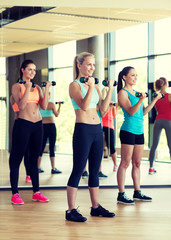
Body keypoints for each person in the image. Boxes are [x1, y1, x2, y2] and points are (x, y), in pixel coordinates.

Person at [66, 52, 115, 222]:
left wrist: (109, 90)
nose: (92, 68)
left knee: (95, 170)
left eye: (93, 65)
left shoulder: (92, 85)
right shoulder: (74, 85)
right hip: (83, 130)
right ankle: (70, 210)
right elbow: (85, 106)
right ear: (79, 65)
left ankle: (95, 207)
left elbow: (103, 109)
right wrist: (92, 87)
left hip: (97, 130)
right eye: (89, 65)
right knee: (78, 170)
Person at [117, 66, 162, 205]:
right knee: (125, 163)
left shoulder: (136, 93)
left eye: (136, 75)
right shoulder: (122, 93)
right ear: (124, 77)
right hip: (128, 130)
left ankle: (137, 192)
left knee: (137, 163)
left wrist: (154, 100)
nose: (135, 78)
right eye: (132, 75)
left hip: (139, 131)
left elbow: (142, 113)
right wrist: (141, 100)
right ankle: (121, 194)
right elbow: (131, 111)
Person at [9, 59, 51, 205]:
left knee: (34, 159)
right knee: (16, 158)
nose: (32, 72)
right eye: (29, 70)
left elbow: (44, 106)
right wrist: (27, 88)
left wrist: (46, 90)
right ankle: (15, 193)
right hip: (23, 124)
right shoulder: (16, 86)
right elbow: (20, 106)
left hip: (37, 125)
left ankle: (36, 192)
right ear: (22, 70)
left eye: (34, 70)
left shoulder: (37, 88)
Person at [148, 77, 171, 174]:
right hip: (168, 121)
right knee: (170, 145)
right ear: (165, 84)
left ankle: (151, 168)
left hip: (158, 121)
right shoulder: (169, 96)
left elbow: (157, 111)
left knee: (154, 145)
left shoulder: (155, 97)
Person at [38, 93, 62, 174]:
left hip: (42, 126)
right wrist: (59, 106)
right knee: (52, 147)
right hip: (51, 126)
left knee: (41, 147)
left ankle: (37, 167)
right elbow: (57, 114)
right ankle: (53, 168)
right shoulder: (51, 104)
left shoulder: (39, 105)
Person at [10, 95, 31, 183]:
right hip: (19, 124)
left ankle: (28, 175)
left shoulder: (28, 96)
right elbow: (19, 110)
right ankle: (14, 174)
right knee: (17, 152)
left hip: (28, 124)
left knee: (28, 152)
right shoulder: (13, 97)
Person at [101, 87, 118, 172]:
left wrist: (112, 107)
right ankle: (98, 168)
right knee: (100, 147)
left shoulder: (111, 104)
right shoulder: (102, 104)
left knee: (111, 147)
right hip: (102, 126)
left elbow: (114, 115)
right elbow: (102, 115)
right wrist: (107, 107)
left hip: (110, 126)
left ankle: (115, 164)